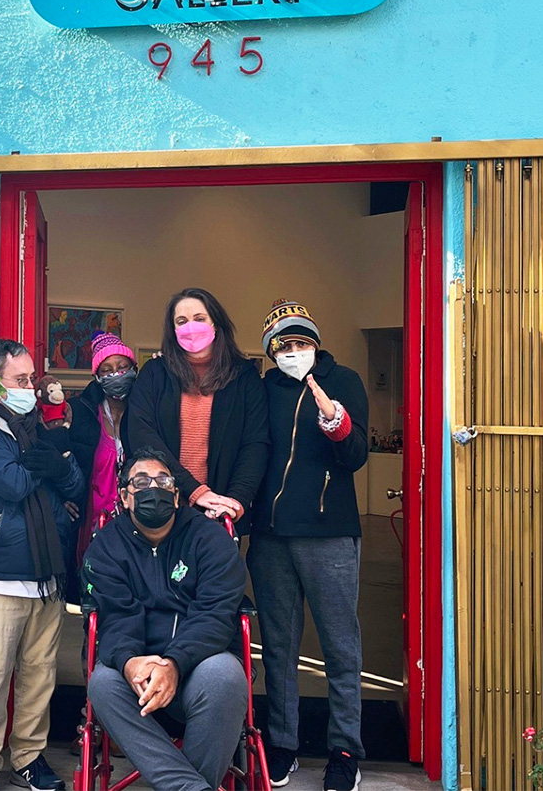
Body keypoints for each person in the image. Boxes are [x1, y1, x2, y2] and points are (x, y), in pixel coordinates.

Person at [248, 300, 369, 791]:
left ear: (315, 344)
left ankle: (344, 750)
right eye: (284, 345)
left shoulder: (345, 382)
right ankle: (282, 743)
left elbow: (357, 454)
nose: (294, 352)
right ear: (271, 351)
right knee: (278, 647)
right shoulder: (264, 389)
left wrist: (334, 420)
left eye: (301, 342)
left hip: (330, 534)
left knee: (341, 647)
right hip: (272, 537)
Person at [84, 447, 249, 791]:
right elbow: (116, 617)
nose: (153, 488)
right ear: (125, 498)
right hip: (138, 678)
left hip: (197, 669)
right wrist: (130, 663)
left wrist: (174, 664)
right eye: (141, 482)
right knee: (102, 683)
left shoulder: (211, 540)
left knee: (226, 675)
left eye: (163, 481)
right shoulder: (107, 546)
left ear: (176, 497)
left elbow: (215, 616)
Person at [0, 339, 85, 791]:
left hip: (47, 577)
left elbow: (75, 485)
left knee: (39, 676)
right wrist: (49, 465)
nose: (30, 388)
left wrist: (55, 465)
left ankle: (29, 758)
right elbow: (12, 484)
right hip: (1, 580)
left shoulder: (43, 427)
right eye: (21, 379)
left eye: (32, 379)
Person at [125, 288, 268, 525]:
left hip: (222, 511)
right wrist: (195, 492)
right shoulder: (155, 373)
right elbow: (142, 435)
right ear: (173, 331)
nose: (190, 327)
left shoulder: (244, 376)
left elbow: (255, 444)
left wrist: (233, 502)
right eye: (181, 321)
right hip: (162, 506)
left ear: (216, 324)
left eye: (200, 319)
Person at [68, 330, 137, 566]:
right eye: (106, 370)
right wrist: (61, 498)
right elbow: (63, 459)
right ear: (97, 376)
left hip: (135, 524)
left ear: (134, 369)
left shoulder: (143, 414)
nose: (116, 374)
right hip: (90, 523)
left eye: (122, 366)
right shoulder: (81, 413)